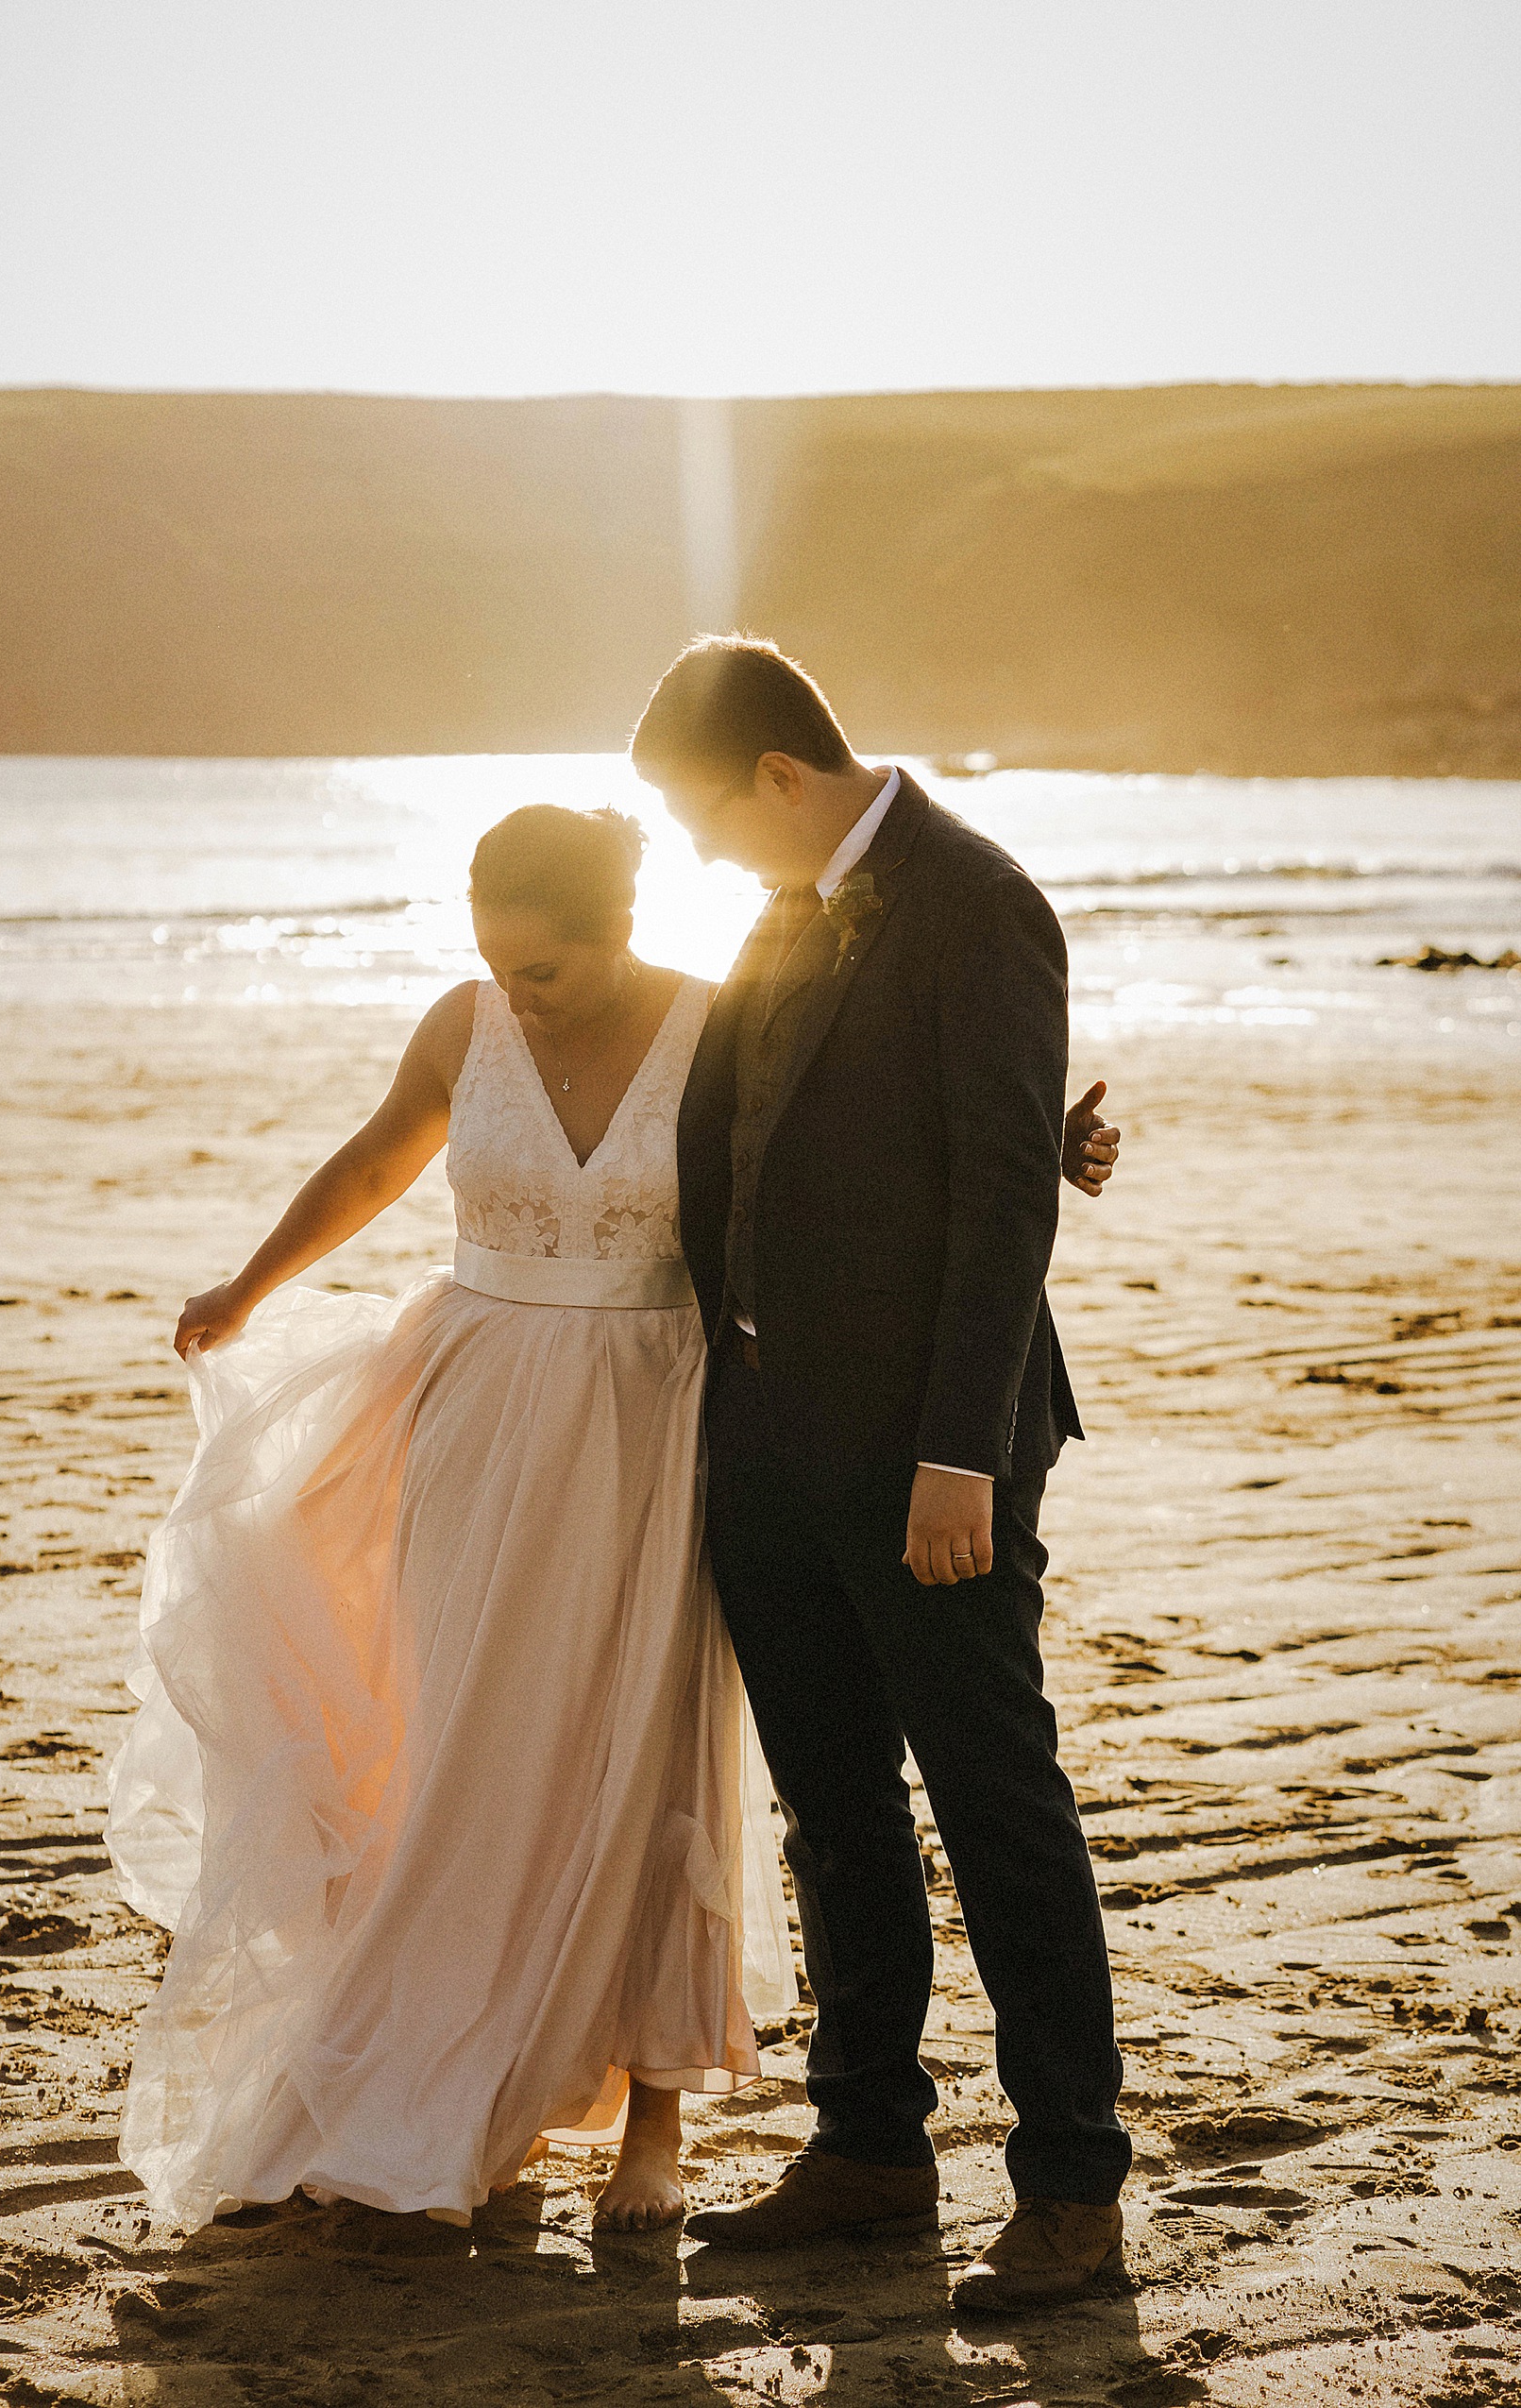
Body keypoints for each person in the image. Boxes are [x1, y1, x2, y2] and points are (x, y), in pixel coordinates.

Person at [105, 784, 1120, 2241]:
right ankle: (462, 2053)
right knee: (461, 1735)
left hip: (656, 1415)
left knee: (648, 1750)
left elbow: (879, 1135)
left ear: (622, 928)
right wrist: (248, 1285)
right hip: (474, 1410)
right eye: (494, 956)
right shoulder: (466, 1023)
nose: (515, 989)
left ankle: (657, 2112)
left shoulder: (722, 1017)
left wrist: (1059, 1153)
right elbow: (380, 1156)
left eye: (544, 966)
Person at [634, 636, 1131, 2308]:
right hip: (767, 1436)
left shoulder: (979, 901)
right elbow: (783, 1134)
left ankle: (1071, 2186)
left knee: (994, 1801)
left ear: (780, 776)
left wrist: (955, 1455)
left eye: (706, 822)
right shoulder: (780, 908)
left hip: (935, 1452)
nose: (703, 860)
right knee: (832, 1804)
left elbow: (1005, 1201)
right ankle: (868, 2145)